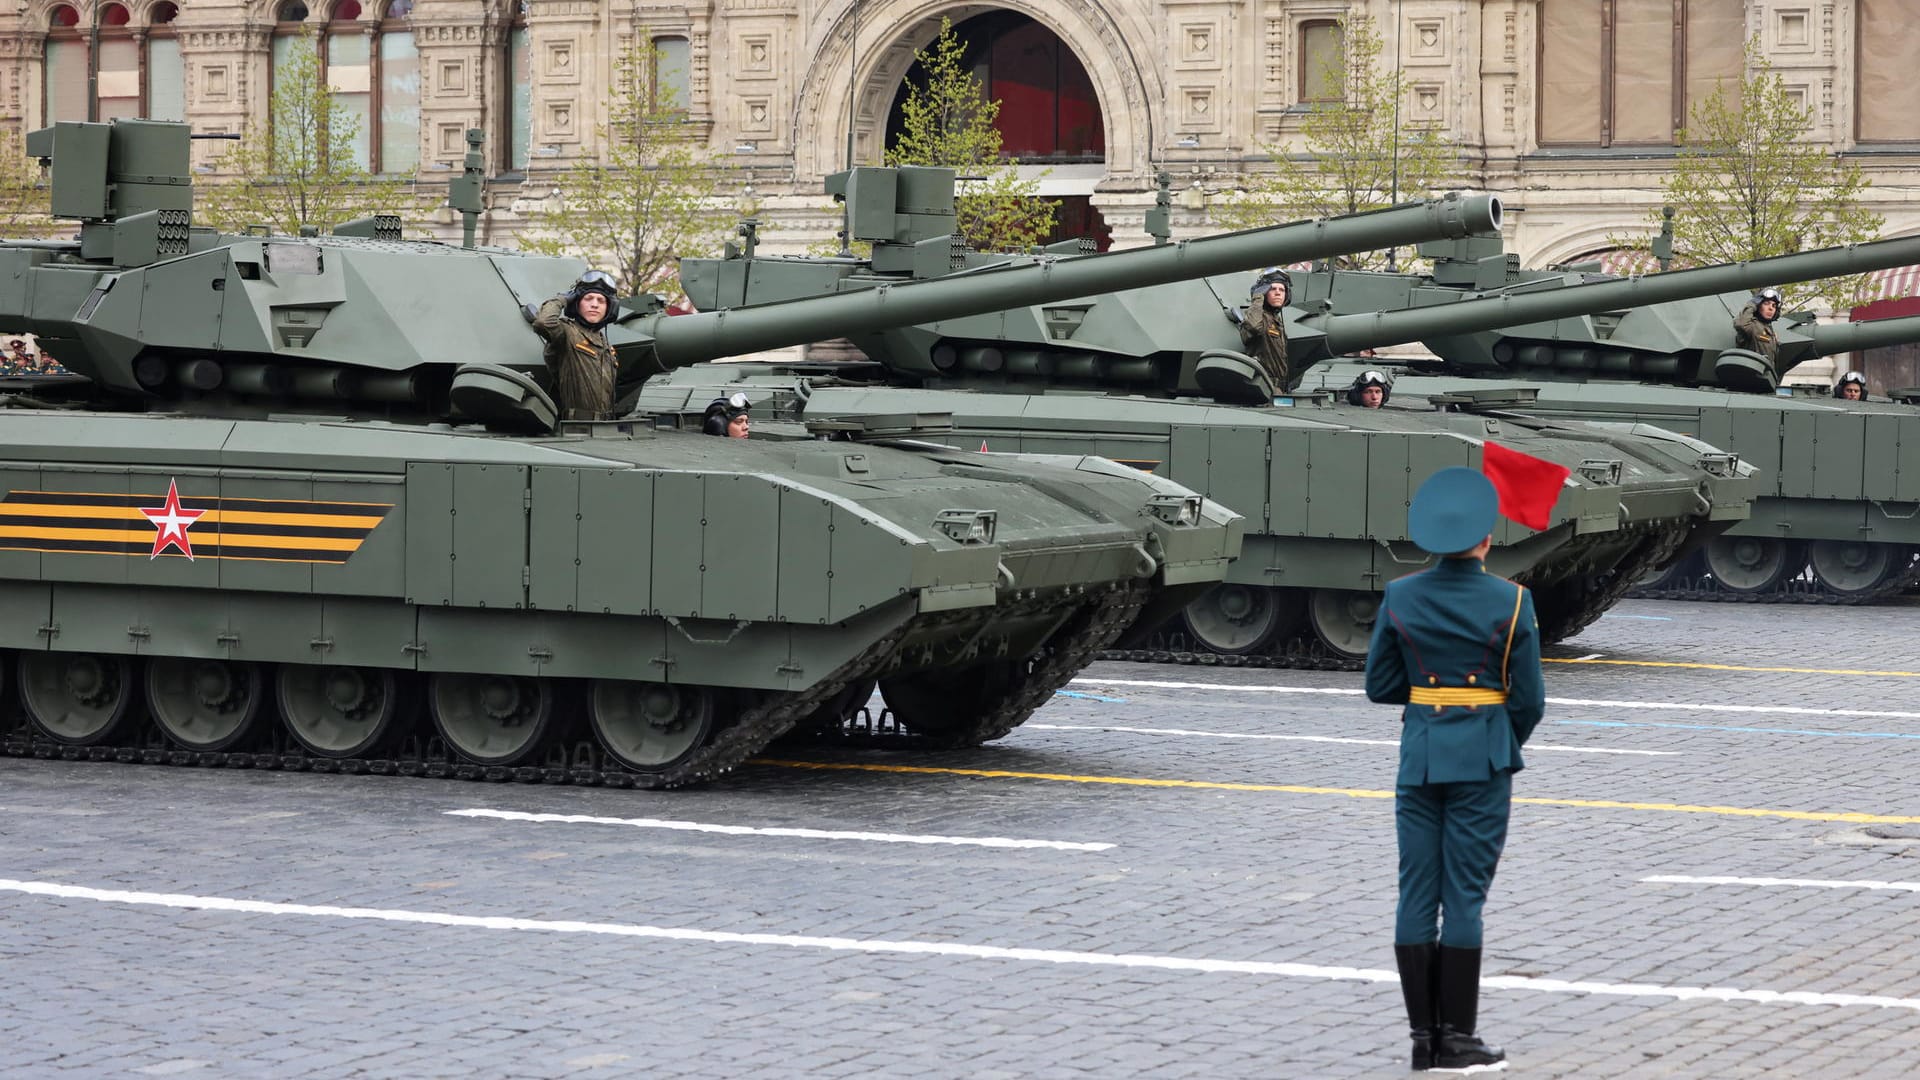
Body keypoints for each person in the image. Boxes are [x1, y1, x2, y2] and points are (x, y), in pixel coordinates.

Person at [1365, 467, 1544, 1073]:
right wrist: (1495, 735)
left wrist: (1428, 707)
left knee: (1417, 892)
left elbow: (1380, 685)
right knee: (1464, 897)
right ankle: (1459, 1038)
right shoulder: (1513, 601)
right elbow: (1530, 702)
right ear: (1487, 539)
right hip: (1484, 757)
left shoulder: (1400, 595)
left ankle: (1423, 1039)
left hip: (1420, 756)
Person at [530, 270, 621, 420]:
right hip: (576, 427)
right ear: (576, 303)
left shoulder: (605, 344)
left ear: (609, 308)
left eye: (601, 301)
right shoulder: (566, 332)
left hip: (605, 428)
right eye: (588, 299)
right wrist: (561, 299)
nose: (594, 305)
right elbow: (543, 323)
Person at [1238, 267, 1292, 391]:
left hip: (1277, 389)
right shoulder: (1256, 316)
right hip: (1261, 387)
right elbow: (1253, 327)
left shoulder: (1277, 321)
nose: (1278, 293)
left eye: (1282, 290)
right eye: (1272, 289)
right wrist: (1257, 298)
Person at [1733, 287, 1782, 366]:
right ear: (1758, 305)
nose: (1771, 308)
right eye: (1766, 303)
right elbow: (1741, 324)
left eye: (1774, 306)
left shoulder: (1771, 332)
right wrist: (1752, 304)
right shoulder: (1752, 325)